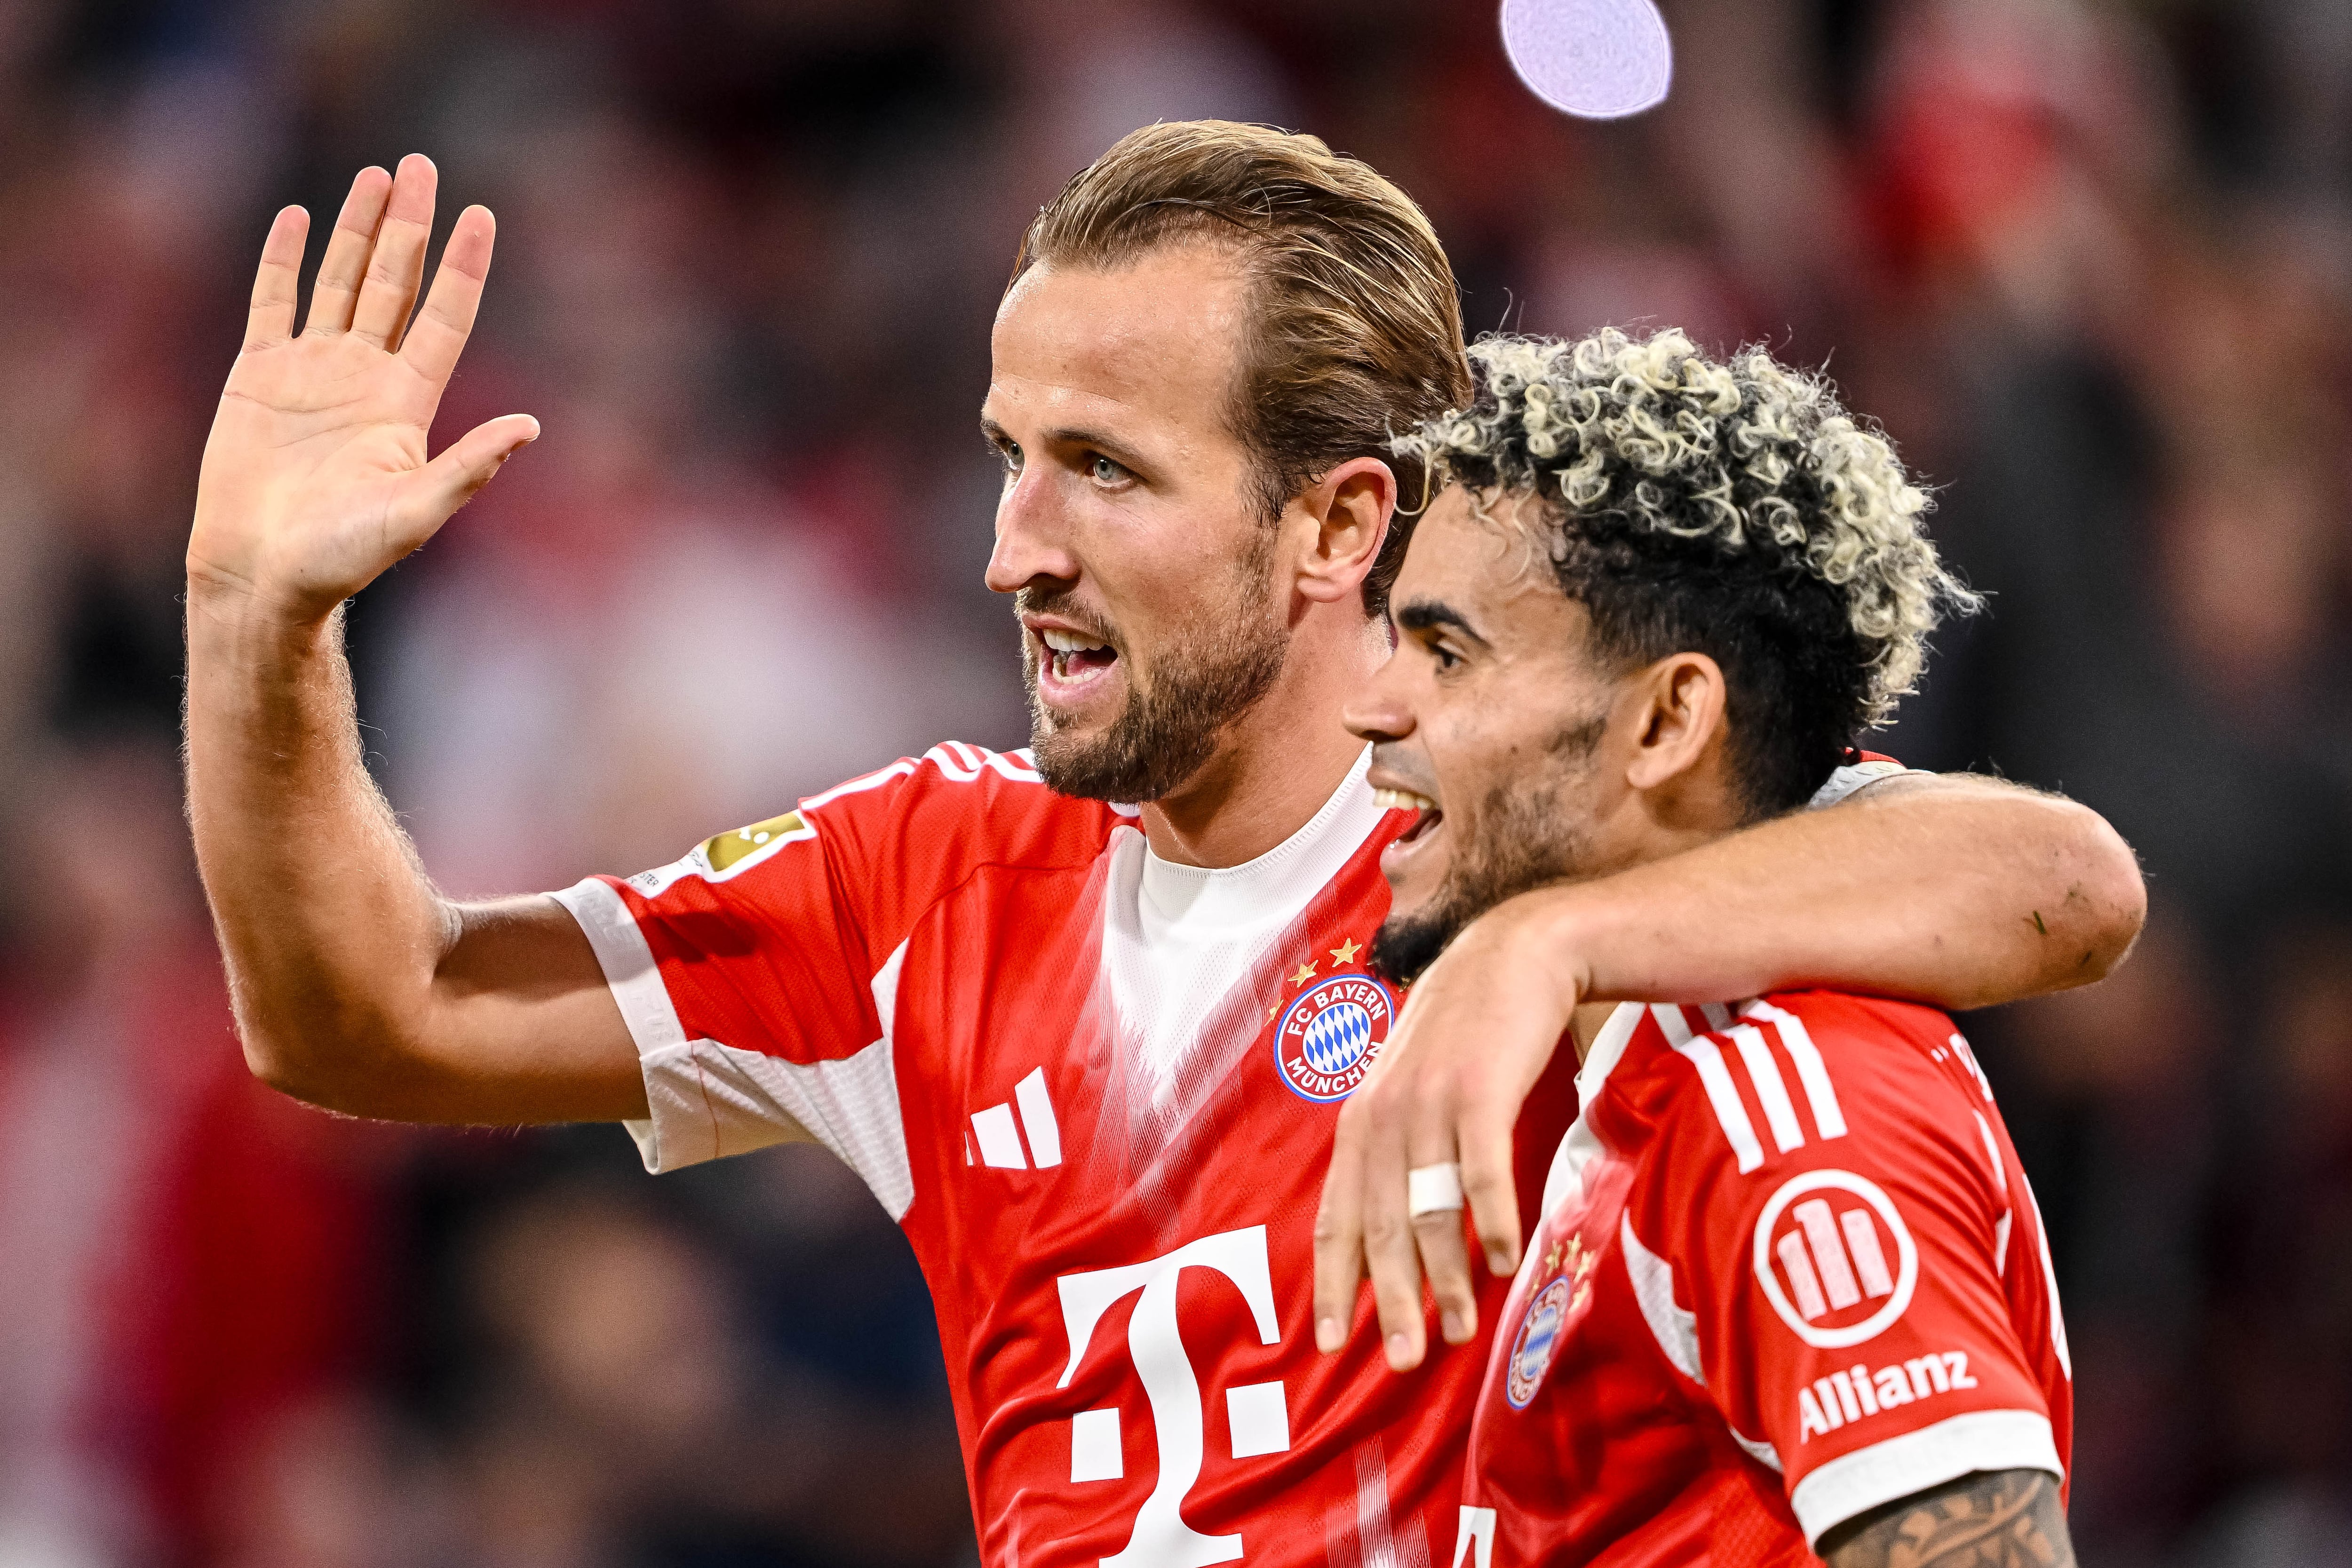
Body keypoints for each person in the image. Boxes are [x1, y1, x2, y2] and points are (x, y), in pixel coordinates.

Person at [185, 125, 2135, 1565]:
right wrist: (252, 627)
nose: (1010, 548)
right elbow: (367, 1011)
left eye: (1101, 472)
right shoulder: (925, 881)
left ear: (1329, 526)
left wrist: (1548, 956)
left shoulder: (1549, 840)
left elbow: (2059, 884)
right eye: (1005, 456)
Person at [1338, 328, 2074, 1566]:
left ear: (1669, 720)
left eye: (1447, 653)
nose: (1374, 702)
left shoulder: (1789, 1120)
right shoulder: (1652, 1088)